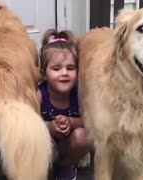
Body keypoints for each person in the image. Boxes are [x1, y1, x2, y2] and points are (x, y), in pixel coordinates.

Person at [37, 29, 89, 180]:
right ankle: (45, 170)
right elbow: (29, 125)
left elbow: (89, 121)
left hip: (68, 147)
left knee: (84, 136)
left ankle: (65, 167)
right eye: (56, 68)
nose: (64, 73)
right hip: (44, 148)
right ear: (43, 73)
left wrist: (72, 122)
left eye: (70, 68)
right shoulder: (39, 94)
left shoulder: (79, 94)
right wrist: (51, 127)